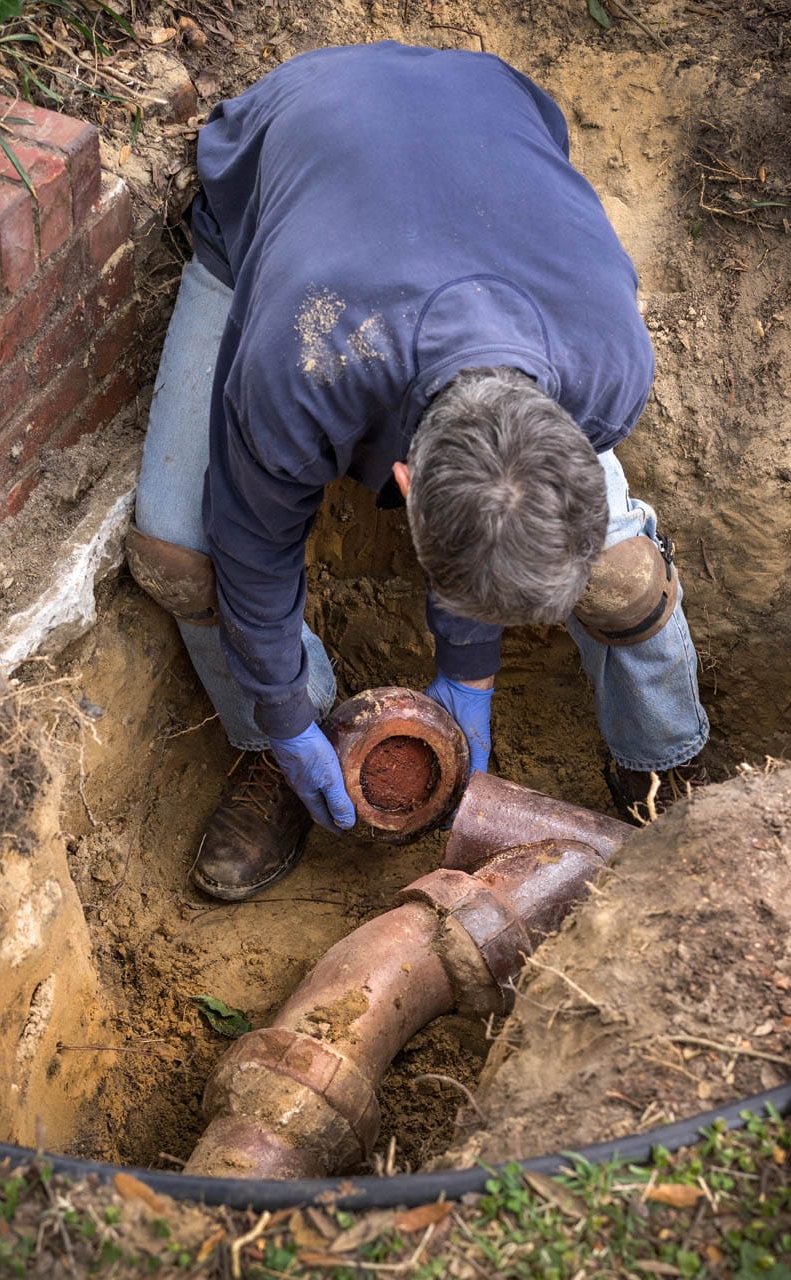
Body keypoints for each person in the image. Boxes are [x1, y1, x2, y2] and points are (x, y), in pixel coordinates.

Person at [127, 42, 709, 900]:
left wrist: (467, 670)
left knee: (621, 577)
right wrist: (286, 719)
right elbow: (251, 544)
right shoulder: (295, 364)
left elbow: (517, 518)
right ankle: (286, 748)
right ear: (403, 483)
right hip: (288, 171)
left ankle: (663, 759)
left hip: (486, 117)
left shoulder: (611, 362)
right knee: (181, 556)